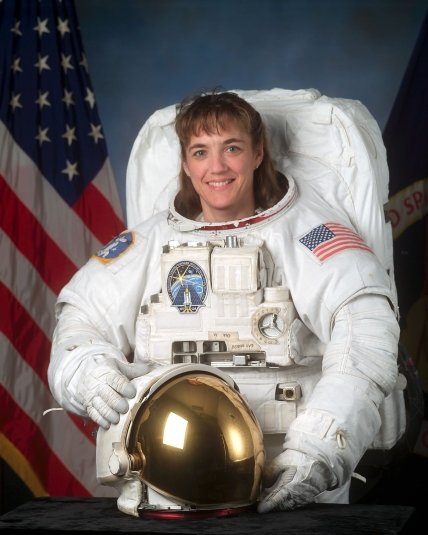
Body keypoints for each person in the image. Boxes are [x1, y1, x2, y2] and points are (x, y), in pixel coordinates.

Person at [48, 90, 402, 513]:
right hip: (164, 484)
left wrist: (319, 449)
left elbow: (367, 336)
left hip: (286, 474)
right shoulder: (149, 241)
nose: (216, 167)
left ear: (257, 154)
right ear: (185, 163)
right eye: (201, 152)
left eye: (231, 148)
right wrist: (85, 370)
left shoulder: (311, 233)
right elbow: (79, 318)